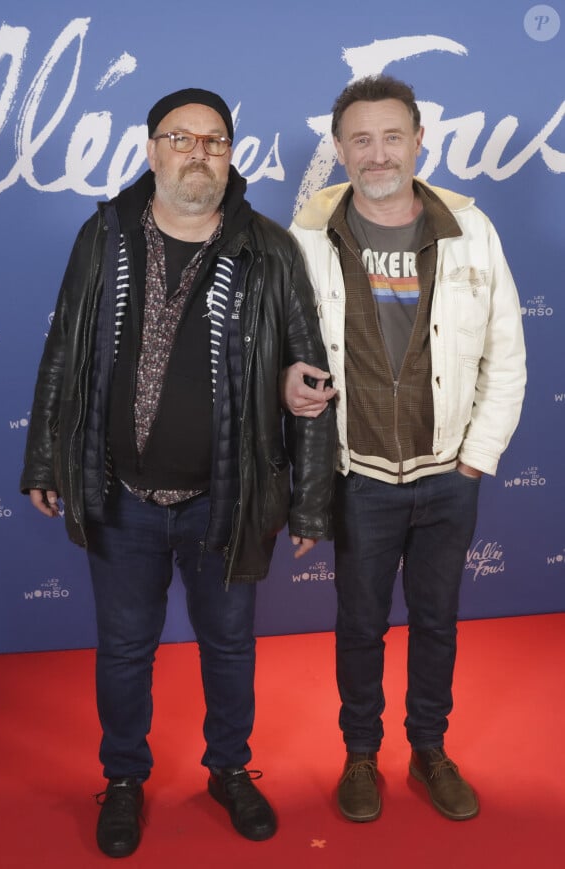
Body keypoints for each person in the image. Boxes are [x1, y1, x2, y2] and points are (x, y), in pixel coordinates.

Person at [20, 87, 336, 858]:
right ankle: (124, 776)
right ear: (152, 148)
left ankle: (229, 767)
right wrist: (41, 452)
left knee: (229, 646)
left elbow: (312, 374)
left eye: (215, 141)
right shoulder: (104, 236)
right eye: (181, 138)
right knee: (125, 649)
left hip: (225, 499)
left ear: (232, 155)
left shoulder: (269, 247)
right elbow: (63, 347)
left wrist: (310, 503)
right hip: (118, 495)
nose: (199, 153)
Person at [283, 75, 526, 823]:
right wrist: (287, 390)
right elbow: (281, 355)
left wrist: (476, 456)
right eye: (361, 138)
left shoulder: (471, 230)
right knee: (359, 625)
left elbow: (506, 353)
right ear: (340, 149)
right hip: (358, 479)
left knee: (437, 619)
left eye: (392, 136)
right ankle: (361, 753)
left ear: (420, 141)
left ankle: (429, 747)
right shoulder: (304, 240)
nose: (377, 152)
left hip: (449, 475)